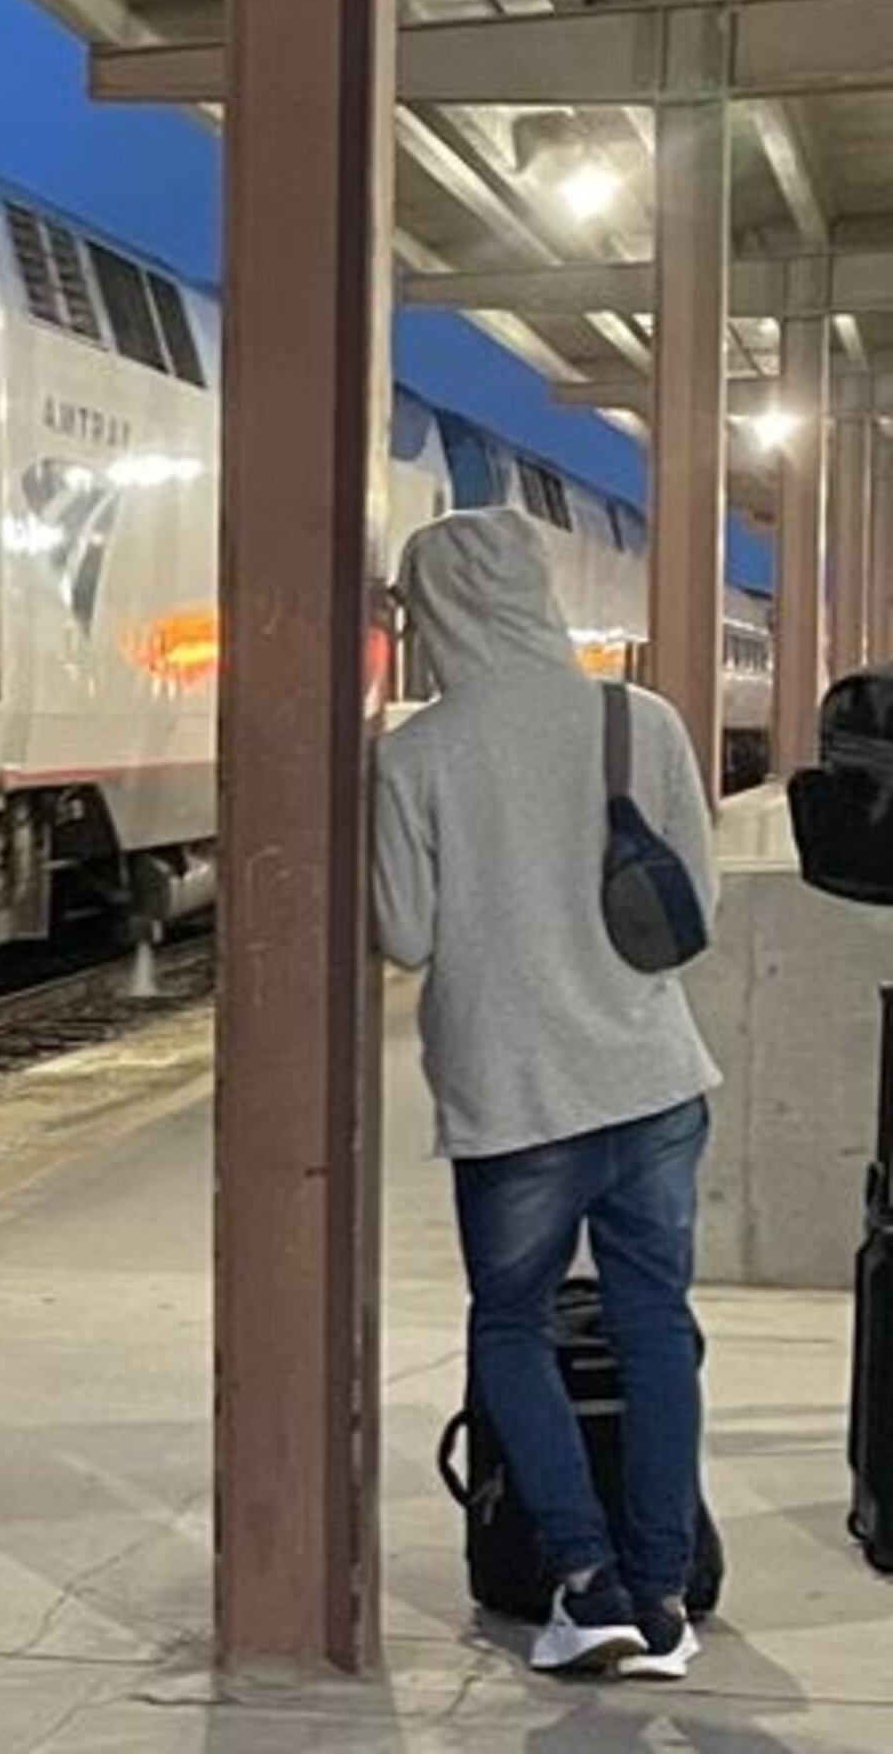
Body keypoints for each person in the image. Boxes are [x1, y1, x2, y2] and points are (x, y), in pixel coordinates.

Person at [373, 503, 722, 1680]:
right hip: (655, 1080)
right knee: (654, 1326)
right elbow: (695, 918)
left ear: (434, 614)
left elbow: (407, 935)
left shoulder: (418, 754)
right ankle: (665, 1601)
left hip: (517, 1100)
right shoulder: (643, 720)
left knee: (514, 1324)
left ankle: (588, 1586)